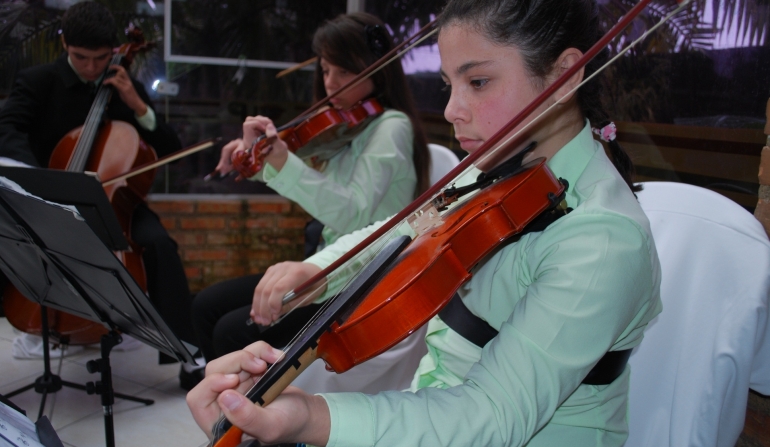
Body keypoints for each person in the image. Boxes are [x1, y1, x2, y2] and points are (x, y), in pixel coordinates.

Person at [186, 0, 663, 446]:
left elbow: (491, 415)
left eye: (477, 82)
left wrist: (312, 415)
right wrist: (324, 270)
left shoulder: (603, 238)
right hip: (434, 408)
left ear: (564, 76)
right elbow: (405, 227)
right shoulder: (501, 166)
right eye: (448, 84)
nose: (452, 110)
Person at [186, 13, 431, 387]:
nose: (330, 83)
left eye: (344, 73)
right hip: (328, 264)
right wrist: (254, 155)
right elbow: (312, 181)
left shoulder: (391, 127)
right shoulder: (347, 126)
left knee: (230, 332)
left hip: (361, 277)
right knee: (205, 305)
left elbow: (353, 213)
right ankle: (230, 411)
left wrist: (281, 162)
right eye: (325, 69)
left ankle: (253, 422)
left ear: (377, 73)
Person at [0, 2, 196, 358]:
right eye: (81, 58)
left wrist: (137, 105)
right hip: (50, 197)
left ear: (114, 51)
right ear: (65, 46)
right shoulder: (38, 81)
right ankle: (40, 324)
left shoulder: (124, 85)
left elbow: (169, 147)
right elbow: (7, 128)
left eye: (101, 58)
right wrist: (34, 178)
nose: (92, 68)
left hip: (113, 201)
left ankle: (184, 351)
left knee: (159, 245)